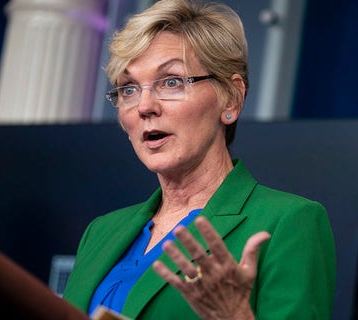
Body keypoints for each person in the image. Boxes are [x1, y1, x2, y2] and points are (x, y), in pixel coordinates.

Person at [62, 0, 336, 319]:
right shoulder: (102, 231)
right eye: (128, 89)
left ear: (231, 98)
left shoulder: (288, 223)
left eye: (172, 82)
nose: (144, 106)